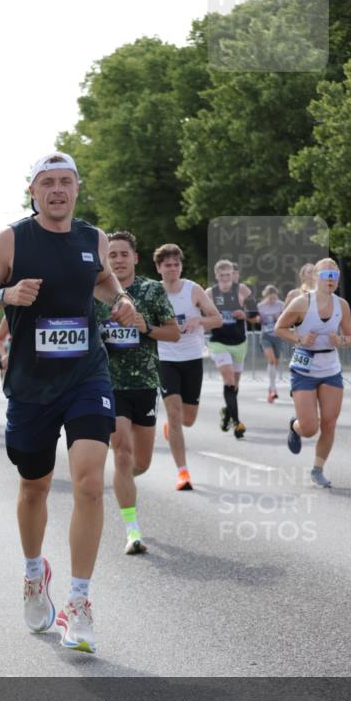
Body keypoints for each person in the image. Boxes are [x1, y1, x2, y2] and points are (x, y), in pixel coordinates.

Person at [0, 150, 136, 654]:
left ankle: (79, 603)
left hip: (87, 375)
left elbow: (103, 280)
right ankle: (34, 573)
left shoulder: (93, 239)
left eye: (66, 182)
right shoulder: (12, 239)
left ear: (77, 189)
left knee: (88, 482)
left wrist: (119, 300)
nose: (57, 190)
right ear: (33, 191)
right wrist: (5, 296)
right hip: (32, 386)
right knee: (34, 486)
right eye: (47, 183)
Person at [94, 231, 180, 553]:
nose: (117, 260)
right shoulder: (96, 293)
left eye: (122, 254)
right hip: (107, 383)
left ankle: (124, 481)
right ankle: (132, 530)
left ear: (135, 258)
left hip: (144, 382)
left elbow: (173, 333)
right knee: (122, 452)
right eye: (111, 255)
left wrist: (145, 327)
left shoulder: (151, 290)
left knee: (139, 463)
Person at [275, 258, 351, 488]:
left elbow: (350, 337)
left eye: (334, 276)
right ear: (314, 278)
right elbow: (279, 328)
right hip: (303, 367)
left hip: (330, 367)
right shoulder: (302, 302)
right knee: (310, 428)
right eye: (325, 275)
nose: (330, 280)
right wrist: (299, 338)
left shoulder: (343, 305)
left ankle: (317, 469)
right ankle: (296, 426)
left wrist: (341, 339)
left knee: (329, 423)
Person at [154, 243, 222, 490]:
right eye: (167, 265)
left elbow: (217, 319)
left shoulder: (193, 290)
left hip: (192, 358)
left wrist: (199, 319)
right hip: (165, 358)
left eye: (176, 265)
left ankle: (172, 427)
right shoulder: (154, 292)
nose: (173, 269)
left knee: (188, 419)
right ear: (159, 268)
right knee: (174, 413)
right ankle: (183, 473)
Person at [205, 259, 253, 438]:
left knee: (235, 384)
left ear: (233, 274)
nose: (225, 278)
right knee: (229, 379)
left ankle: (227, 413)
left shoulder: (242, 290)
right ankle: (237, 422)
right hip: (219, 341)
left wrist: (245, 314)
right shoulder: (209, 293)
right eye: (222, 275)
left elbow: (256, 316)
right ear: (216, 275)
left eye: (228, 275)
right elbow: (200, 313)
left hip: (239, 342)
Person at [254, 285, 285, 402]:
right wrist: (258, 319)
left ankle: (271, 387)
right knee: (271, 360)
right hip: (265, 336)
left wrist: (280, 317)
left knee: (275, 363)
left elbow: (287, 319)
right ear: (265, 296)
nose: (272, 301)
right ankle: (273, 388)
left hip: (277, 337)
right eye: (270, 298)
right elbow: (256, 319)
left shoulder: (281, 305)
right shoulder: (260, 306)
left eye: (274, 298)